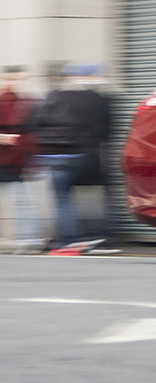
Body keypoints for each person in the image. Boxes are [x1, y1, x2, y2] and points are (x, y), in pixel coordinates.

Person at [25, 63, 113, 253]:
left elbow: (34, 123)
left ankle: (68, 239)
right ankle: (98, 236)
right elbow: (106, 130)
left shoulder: (54, 96)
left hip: (54, 154)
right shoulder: (96, 99)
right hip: (83, 153)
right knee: (91, 196)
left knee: (62, 199)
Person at [0, 66, 45, 253]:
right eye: (11, 79)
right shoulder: (4, 103)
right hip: (5, 157)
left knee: (23, 199)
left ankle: (30, 238)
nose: (15, 83)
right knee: (23, 199)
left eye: (19, 79)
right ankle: (30, 237)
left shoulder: (28, 102)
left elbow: (34, 131)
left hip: (18, 160)